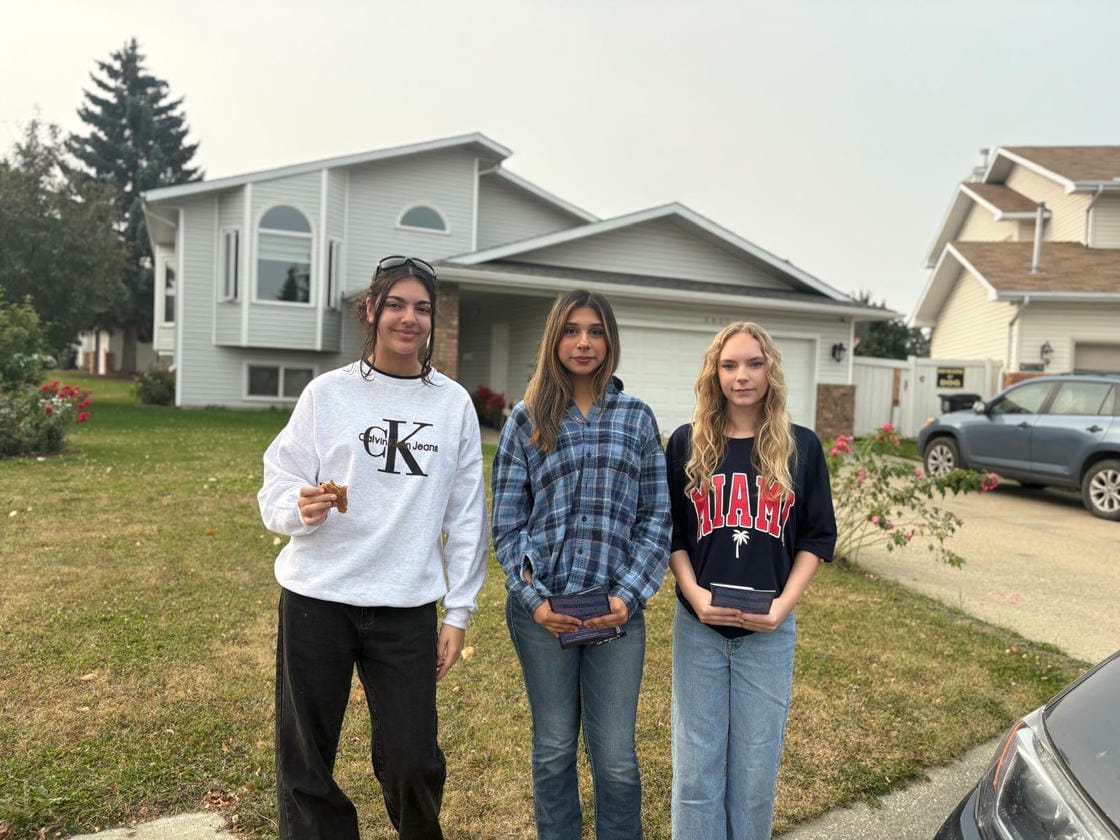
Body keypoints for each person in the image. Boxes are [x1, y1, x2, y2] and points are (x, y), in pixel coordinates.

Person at [257, 255, 488, 840]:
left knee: (414, 760)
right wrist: (299, 509)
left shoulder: (452, 404)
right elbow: (278, 482)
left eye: (422, 308)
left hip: (405, 606)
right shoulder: (327, 394)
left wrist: (458, 613)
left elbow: (466, 516)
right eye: (395, 305)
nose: (408, 319)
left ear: (433, 319)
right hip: (318, 599)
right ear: (371, 310)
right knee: (307, 761)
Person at [491, 289, 671, 840]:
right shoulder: (527, 419)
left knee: (615, 757)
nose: (584, 342)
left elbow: (656, 517)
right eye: (571, 330)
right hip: (545, 615)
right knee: (553, 748)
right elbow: (507, 523)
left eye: (595, 331)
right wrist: (535, 600)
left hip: (616, 614)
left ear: (610, 341)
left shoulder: (637, 418)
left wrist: (627, 596)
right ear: (555, 339)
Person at [664, 322, 837, 840]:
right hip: (700, 629)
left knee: (755, 773)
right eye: (730, 365)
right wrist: (694, 596)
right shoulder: (687, 444)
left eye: (754, 364)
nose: (742, 376)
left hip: (768, 632)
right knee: (696, 770)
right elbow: (672, 533)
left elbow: (816, 537)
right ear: (714, 374)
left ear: (770, 371)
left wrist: (783, 606)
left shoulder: (801, 447)